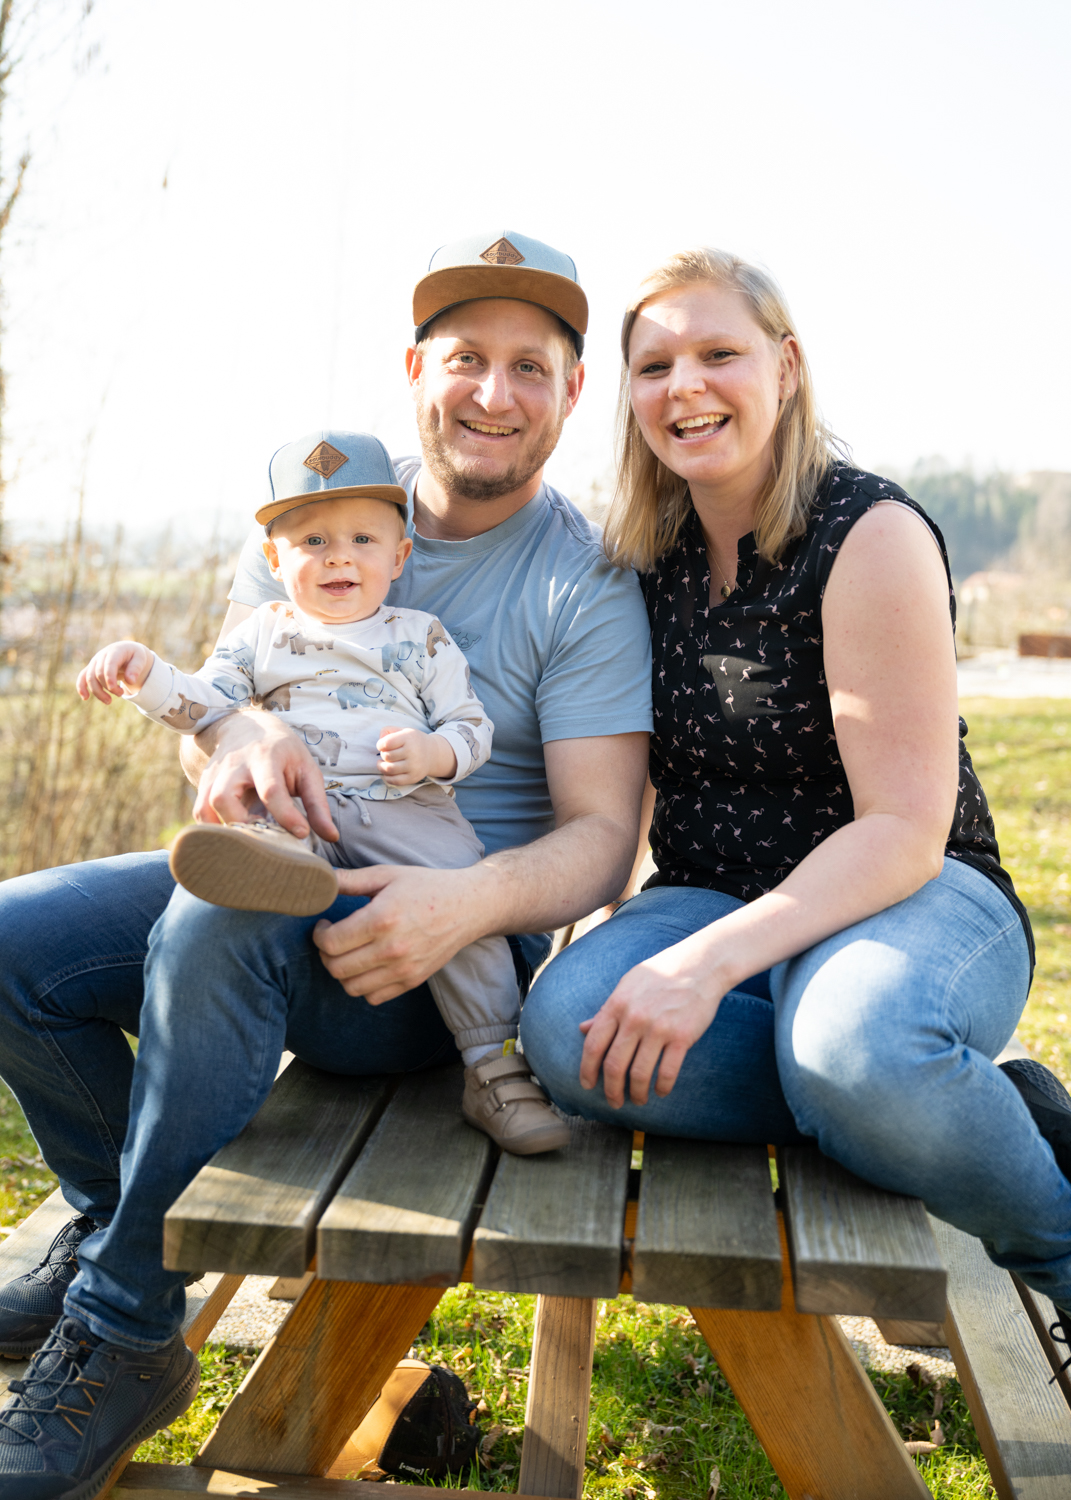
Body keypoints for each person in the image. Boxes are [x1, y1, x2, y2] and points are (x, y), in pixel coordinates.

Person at [0, 231, 650, 1496]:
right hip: (279, 865)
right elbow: (219, 716)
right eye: (466, 358)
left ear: (574, 392)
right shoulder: (319, 499)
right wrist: (238, 735)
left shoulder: (584, 581)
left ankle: (125, 1331)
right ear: (416, 370)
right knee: (18, 946)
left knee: (217, 921)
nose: (495, 393)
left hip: (434, 953)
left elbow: (600, 840)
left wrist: (461, 904)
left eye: (531, 366)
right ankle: (113, 1222)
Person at [521, 247, 1071, 1343]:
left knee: (856, 1049)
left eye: (717, 353)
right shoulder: (643, 556)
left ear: (785, 365)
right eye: (654, 366)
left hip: (914, 889)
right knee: (569, 1030)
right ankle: (935, 1100)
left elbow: (903, 829)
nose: (685, 386)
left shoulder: (869, 533)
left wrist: (701, 967)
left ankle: (1053, 1241)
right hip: (712, 888)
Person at [76, 429, 570, 1156]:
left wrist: (434, 754)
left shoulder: (420, 636)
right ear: (275, 561)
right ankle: (272, 868)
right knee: (264, 827)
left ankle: (492, 1064)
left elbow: (471, 727)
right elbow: (209, 706)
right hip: (297, 807)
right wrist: (146, 674)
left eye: (363, 539)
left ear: (399, 557)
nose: (339, 556)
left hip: (404, 810)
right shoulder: (262, 634)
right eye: (313, 541)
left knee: (461, 900)